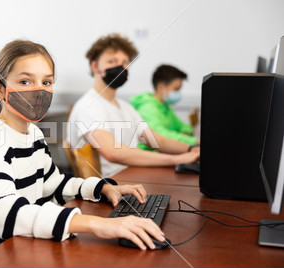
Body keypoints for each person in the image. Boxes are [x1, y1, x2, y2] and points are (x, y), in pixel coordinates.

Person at [0, 40, 166, 268]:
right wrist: (96, 224)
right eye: (25, 82)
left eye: (47, 82)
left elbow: (51, 185)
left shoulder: (33, 133)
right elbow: (3, 213)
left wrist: (101, 188)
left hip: (16, 250)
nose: (38, 91)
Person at [66, 33, 199, 177]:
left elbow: (157, 140)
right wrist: (175, 160)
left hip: (133, 177)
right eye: (112, 61)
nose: (120, 67)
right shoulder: (88, 105)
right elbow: (113, 152)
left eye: (125, 63)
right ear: (95, 66)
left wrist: (192, 149)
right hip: (111, 187)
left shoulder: (126, 108)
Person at [130, 65, 198, 149]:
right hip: (150, 156)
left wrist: (185, 135)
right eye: (176, 89)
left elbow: (183, 126)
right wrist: (193, 141)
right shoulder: (147, 108)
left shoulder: (165, 107)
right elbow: (161, 137)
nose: (178, 93)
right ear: (161, 87)